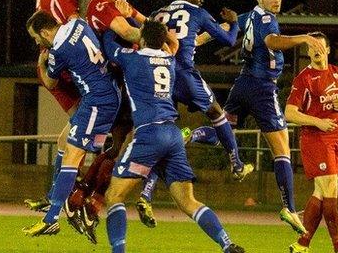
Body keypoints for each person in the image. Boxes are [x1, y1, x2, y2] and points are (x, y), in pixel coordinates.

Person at [102, 20, 245, 253]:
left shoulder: (132, 58)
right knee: (188, 202)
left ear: (142, 40)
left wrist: (111, 23)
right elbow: (173, 44)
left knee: (114, 196)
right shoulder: (170, 59)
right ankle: (227, 243)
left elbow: (109, 45)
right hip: (173, 135)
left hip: (149, 133)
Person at [223, 0, 326, 234]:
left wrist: (191, 42)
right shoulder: (268, 19)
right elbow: (271, 41)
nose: (276, 0)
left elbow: (221, 29)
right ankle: (288, 207)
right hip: (262, 88)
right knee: (282, 149)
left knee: (222, 129)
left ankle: (188, 135)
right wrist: (303, 37)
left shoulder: (248, 16)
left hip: (243, 83)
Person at [61, 0, 153, 243]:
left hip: (124, 83)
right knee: (118, 145)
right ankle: (80, 198)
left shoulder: (116, 6)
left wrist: (135, 15)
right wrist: (154, 37)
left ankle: (85, 199)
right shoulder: (101, 6)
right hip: (117, 83)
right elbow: (129, 34)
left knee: (115, 146)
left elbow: (141, 25)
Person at [22, 11, 119, 237]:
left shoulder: (58, 51)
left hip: (98, 102)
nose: (37, 42)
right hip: (104, 95)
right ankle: (55, 198)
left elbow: (50, 82)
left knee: (73, 157)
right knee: (65, 141)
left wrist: (41, 63)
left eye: (36, 37)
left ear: (45, 32)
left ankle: (54, 217)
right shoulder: (78, 23)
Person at [148, 0, 253, 182]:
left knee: (165, 131)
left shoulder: (156, 14)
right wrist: (232, 23)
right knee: (216, 112)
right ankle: (237, 164)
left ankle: (147, 190)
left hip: (158, 76)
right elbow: (230, 40)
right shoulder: (197, 12)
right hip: (184, 74)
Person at [24, 0, 88, 213]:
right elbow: (73, 26)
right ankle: (73, 192)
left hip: (49, 65)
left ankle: (55, 195)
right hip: (61, 67)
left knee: (73, 130)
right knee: (87, 122)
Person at [285, 32, 338, 253]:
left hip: (337, 138)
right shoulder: (304, 78)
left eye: (320, 47)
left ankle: (302, 244)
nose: (316, 51)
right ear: (307, 51)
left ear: (328, 50)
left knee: (321, 193)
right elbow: (289, 113)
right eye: (312, 47)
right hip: (316, 139)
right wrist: (318, 122)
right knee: (330, 189)